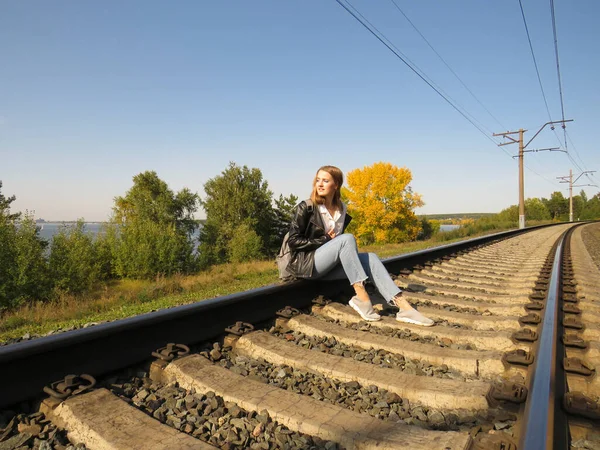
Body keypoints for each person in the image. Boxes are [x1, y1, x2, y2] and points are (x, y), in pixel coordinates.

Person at [286, 165, 434, 326]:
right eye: (318, 180)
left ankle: (404, 307)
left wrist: (333, 242)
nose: (319, 184)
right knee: (347, 239)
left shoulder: (341, 209)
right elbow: (293, 241)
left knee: (371, 257)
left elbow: (340, 249)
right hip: (307, 264)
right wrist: (323, 240)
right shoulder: (306, 207)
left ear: (336, 185)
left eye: (325, 180)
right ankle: (361, 295)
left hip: (327, 266)